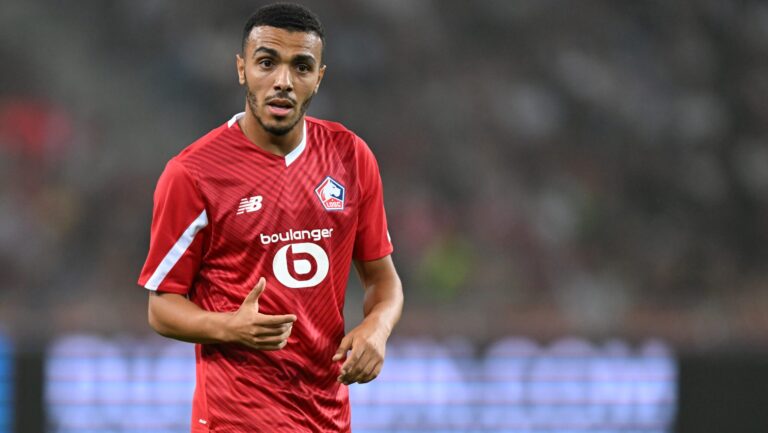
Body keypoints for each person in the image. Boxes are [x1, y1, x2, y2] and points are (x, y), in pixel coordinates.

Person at [137, 3, 404, 432]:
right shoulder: (193, 173)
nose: (282, 81)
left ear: (319, 77)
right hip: (234, 419)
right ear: (242, 69)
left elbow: (383, 280)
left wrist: (377, 327)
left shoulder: (350, 156)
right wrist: (229, 327)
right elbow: (161, 307)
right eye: (267, 63)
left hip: (327, 417)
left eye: (301, 67)